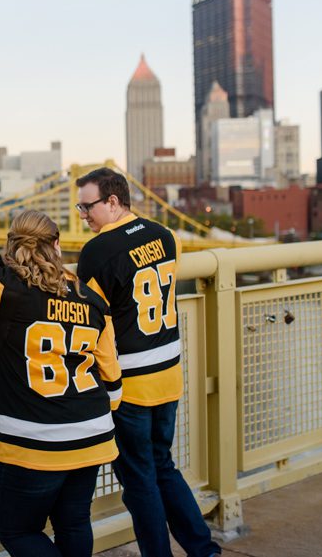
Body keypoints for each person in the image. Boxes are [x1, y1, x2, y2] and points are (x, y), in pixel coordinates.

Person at [0, 210, 122, 557]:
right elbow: (113, 379)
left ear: (14, 246)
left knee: (16, 530)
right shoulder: (92, 299)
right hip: (92, 432)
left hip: (33, 439)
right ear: (57, 244)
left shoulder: (5, 289)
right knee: (74, 522)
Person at [74, 168, 221, 557]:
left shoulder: (96, 253)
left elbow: (94, 324)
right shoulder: (165, 235)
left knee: (139, 480)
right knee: (163, 465)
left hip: (130, 386)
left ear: (112, 202)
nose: (82, 216)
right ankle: (203, 549)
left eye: (87, 207)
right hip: (169, 374)